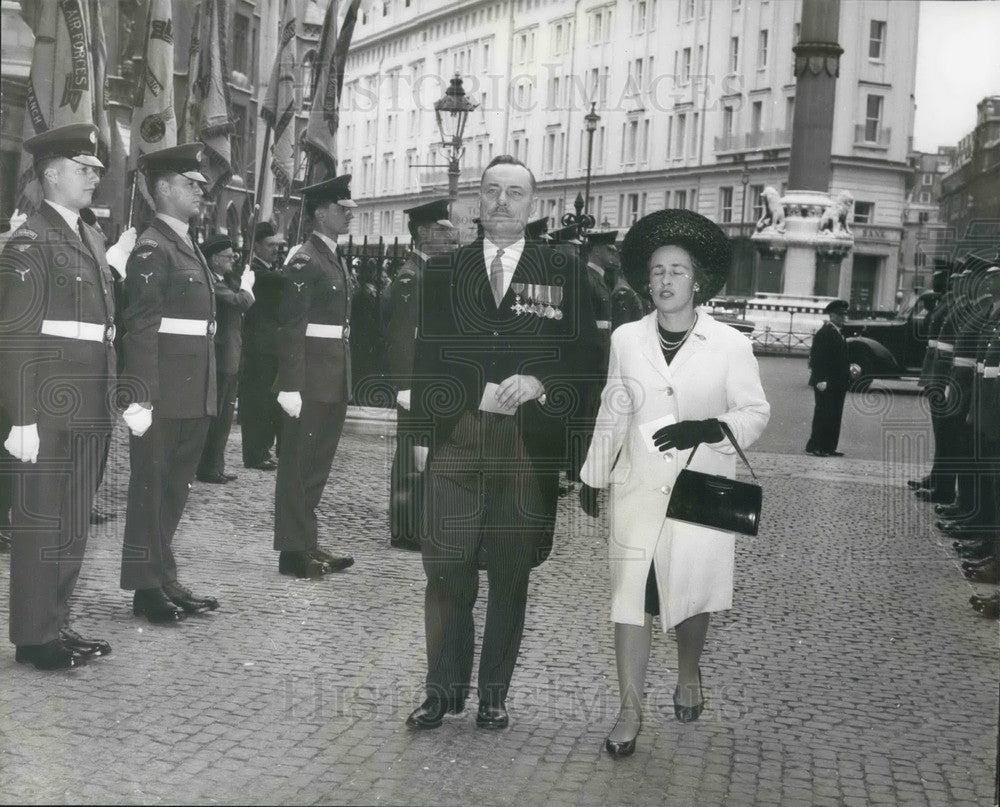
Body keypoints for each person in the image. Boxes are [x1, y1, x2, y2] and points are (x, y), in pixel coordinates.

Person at [404, 155, 597, 731]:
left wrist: (541, 382)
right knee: (446, 568)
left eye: (515, 192)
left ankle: (493, 695)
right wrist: (422, 434)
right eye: (492, 191)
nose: (502, 202)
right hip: (458, 436)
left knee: (512, 572)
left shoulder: (563, 269)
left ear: (532, 205)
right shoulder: (445, 272)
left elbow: (587, 358)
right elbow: (425, 359)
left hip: (525, 442)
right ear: (477, 202)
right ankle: (441, 690)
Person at [577, 208, 769, 757]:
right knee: (629, 599)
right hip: (637, 486)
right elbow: (612, 410)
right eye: (658, 270)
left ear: (697, 280)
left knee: (690, 597)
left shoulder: (730, 345)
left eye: (677, 271)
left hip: (699, 493)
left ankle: (689, 672)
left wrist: (711, 426)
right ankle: (629, 710)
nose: (665, 281)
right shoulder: (626, 340)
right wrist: (594, 474)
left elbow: (755, 411)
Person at [0, 123, 132, 668]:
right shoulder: (30, 239)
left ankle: (56, 621)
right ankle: (34, 637)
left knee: (73, 520)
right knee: (40, 521)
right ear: (52, 174)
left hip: (89, 402)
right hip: (49, 410)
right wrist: (22, 416)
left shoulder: (90, 235)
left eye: (97, 170)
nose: (95, 178)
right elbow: (15, 335)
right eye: (85, 169)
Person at [119, 142, 221, 623]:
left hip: (191, 389)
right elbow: (139, 325)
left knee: (174, 490)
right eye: (191, 184)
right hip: (162, 393)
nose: (201, 191)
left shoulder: (184, 242)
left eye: (201, 184)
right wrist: (139, 396)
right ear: (162, 188)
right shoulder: (153, 246)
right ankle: (145, 587)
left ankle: (163, 575)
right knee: (151, 489)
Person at [272, 175, 357, 579]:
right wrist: (290, 385)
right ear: (320, 212)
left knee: (316, 465)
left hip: (332, 374)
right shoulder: (305, 259)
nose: (348, 215)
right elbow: (291, 325)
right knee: (298, 466)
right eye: (342, 209)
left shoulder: (334, 256)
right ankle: (292, 551)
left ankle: (306, 541)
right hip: (308, 378)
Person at [386, 198, 457, 551]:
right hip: (415, 383)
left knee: (423, 453)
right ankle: (406, 527)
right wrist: (404, 385)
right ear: (425, 234)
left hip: (429, 381)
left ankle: (415, 522)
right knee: (412, 454)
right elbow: (403, 336)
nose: (452, 239)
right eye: (444, 232)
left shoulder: (430, 272)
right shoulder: (411, 277)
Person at [196, 234, 255, 483]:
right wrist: (247, 287)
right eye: (228, 256)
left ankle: (215, 465)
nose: (233, 259)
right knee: (217, 415)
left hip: (230, 355)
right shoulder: (212, 282)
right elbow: (240, 301)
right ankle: (208, 467)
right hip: (221, 358)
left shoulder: (222, 279)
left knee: (225, 415)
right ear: (214, 259)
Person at [240, 221, 286, 470]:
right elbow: (277, 281)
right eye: (270, 245)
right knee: (257, 402)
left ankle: (263, 450)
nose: (275, 250)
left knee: (269, 402)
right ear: (256, 246)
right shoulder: (254, 271)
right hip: (258, 347)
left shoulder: (270, 269)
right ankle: (255, 453)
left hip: (272, 346)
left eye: (277, 245)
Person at [805, 299, 850, 457]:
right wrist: (820, 379)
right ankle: (817, 446)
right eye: (840, 315)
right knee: (824, 413)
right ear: (831, 315)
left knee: (835, 414)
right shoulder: (825, 333)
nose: (844, 318)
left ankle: (829, 446)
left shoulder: (838, 333)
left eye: (845, 315)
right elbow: (818, 359)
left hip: (838, 382)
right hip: (827, 381)